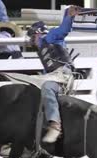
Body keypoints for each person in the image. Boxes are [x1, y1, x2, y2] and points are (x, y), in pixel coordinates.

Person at [26, 5, 81, 143]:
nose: (32, 42)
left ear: (38, 34)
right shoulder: (47, 47)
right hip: (58, 76)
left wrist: (69, 17)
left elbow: (63, 30)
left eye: (32, 37)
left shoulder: (50, 37)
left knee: (47, 87)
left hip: (62, 76)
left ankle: (55, 125)